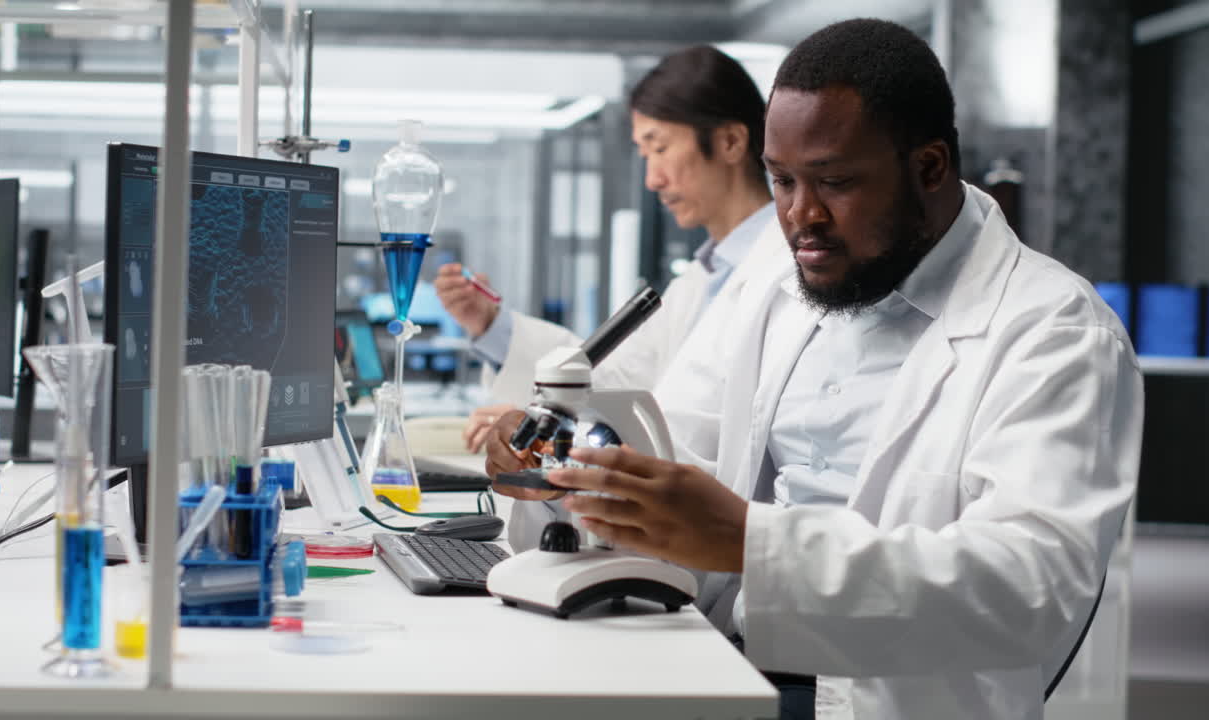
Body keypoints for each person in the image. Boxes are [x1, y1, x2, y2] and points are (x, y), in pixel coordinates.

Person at [486, 19, 1143, 720]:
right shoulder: (777, 285)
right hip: (719, 656)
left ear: (928, 167)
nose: (801, 216)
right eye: (782, 181)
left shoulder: (1055, 331)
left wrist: (751, 542)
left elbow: (1029, 586)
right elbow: (673, 451)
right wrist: (559, 467)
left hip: (884, 701)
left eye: (834, 181)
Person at [435, 45, 785, 452]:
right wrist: (493, 327)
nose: (652, 179)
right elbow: (606, 379)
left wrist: (570, 433)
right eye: (644, 153)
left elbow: (706, 431)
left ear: (729, 141)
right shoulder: (699, 279)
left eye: (660, 147)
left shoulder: (788, 273)